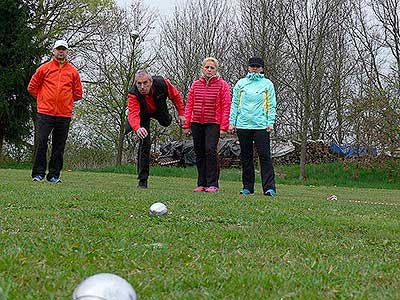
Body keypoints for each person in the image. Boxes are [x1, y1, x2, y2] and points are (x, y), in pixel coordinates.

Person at [28, 40, 83, 183]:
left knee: (59, 146)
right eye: (58, 49)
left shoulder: (73, 72)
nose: (61, 52)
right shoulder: (44, 68)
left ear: (67, 52)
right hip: (45, 113)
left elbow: (78, 93)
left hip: (64, 115)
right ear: (53, 51)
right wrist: (42, 99)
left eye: (63, 49)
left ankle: (54, 175)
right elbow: (32, 87)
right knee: (41, 142)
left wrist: (66, 102)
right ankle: (38, 173)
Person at [127, 69, 185, 188]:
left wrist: (181, 113)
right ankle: (142, 180)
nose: (142, 87)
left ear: (151, 81)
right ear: (135, 83)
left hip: (159, 109)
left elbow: (176, 96)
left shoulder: (162, 83)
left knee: (166, 122)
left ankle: (166, 118)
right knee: (144, 143)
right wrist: (138, 128)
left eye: (145, 83)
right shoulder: (133, 93)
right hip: (142, 114)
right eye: (139, 84)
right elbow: (133, 114)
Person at [228, 57, 277, 196]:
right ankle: (247, 187)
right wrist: (232, 122)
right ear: (248, 67)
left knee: (264, 156)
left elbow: (271, 104)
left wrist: (270, 122)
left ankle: (269, 188)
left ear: (262, 68)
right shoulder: (241, 83)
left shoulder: (267, 84)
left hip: (261, 126)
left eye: (257, 66)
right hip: (243, 125)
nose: (254, 68)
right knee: (246, 157)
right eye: (252, 66)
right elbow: (235, 104)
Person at [183, 57, 231, 193]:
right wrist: (186, 125)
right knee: (199, 152)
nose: (209, 70)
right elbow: (189, 105)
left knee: (210, 150)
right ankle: (201, 183)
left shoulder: (222, 85)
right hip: (196, 122)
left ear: (216, 70)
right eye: (207, 67)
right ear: (202, 68)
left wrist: (223, 127)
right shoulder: (195, 85)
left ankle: (213, 183)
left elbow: (226, 106)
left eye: (212, 68)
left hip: (213, 123)